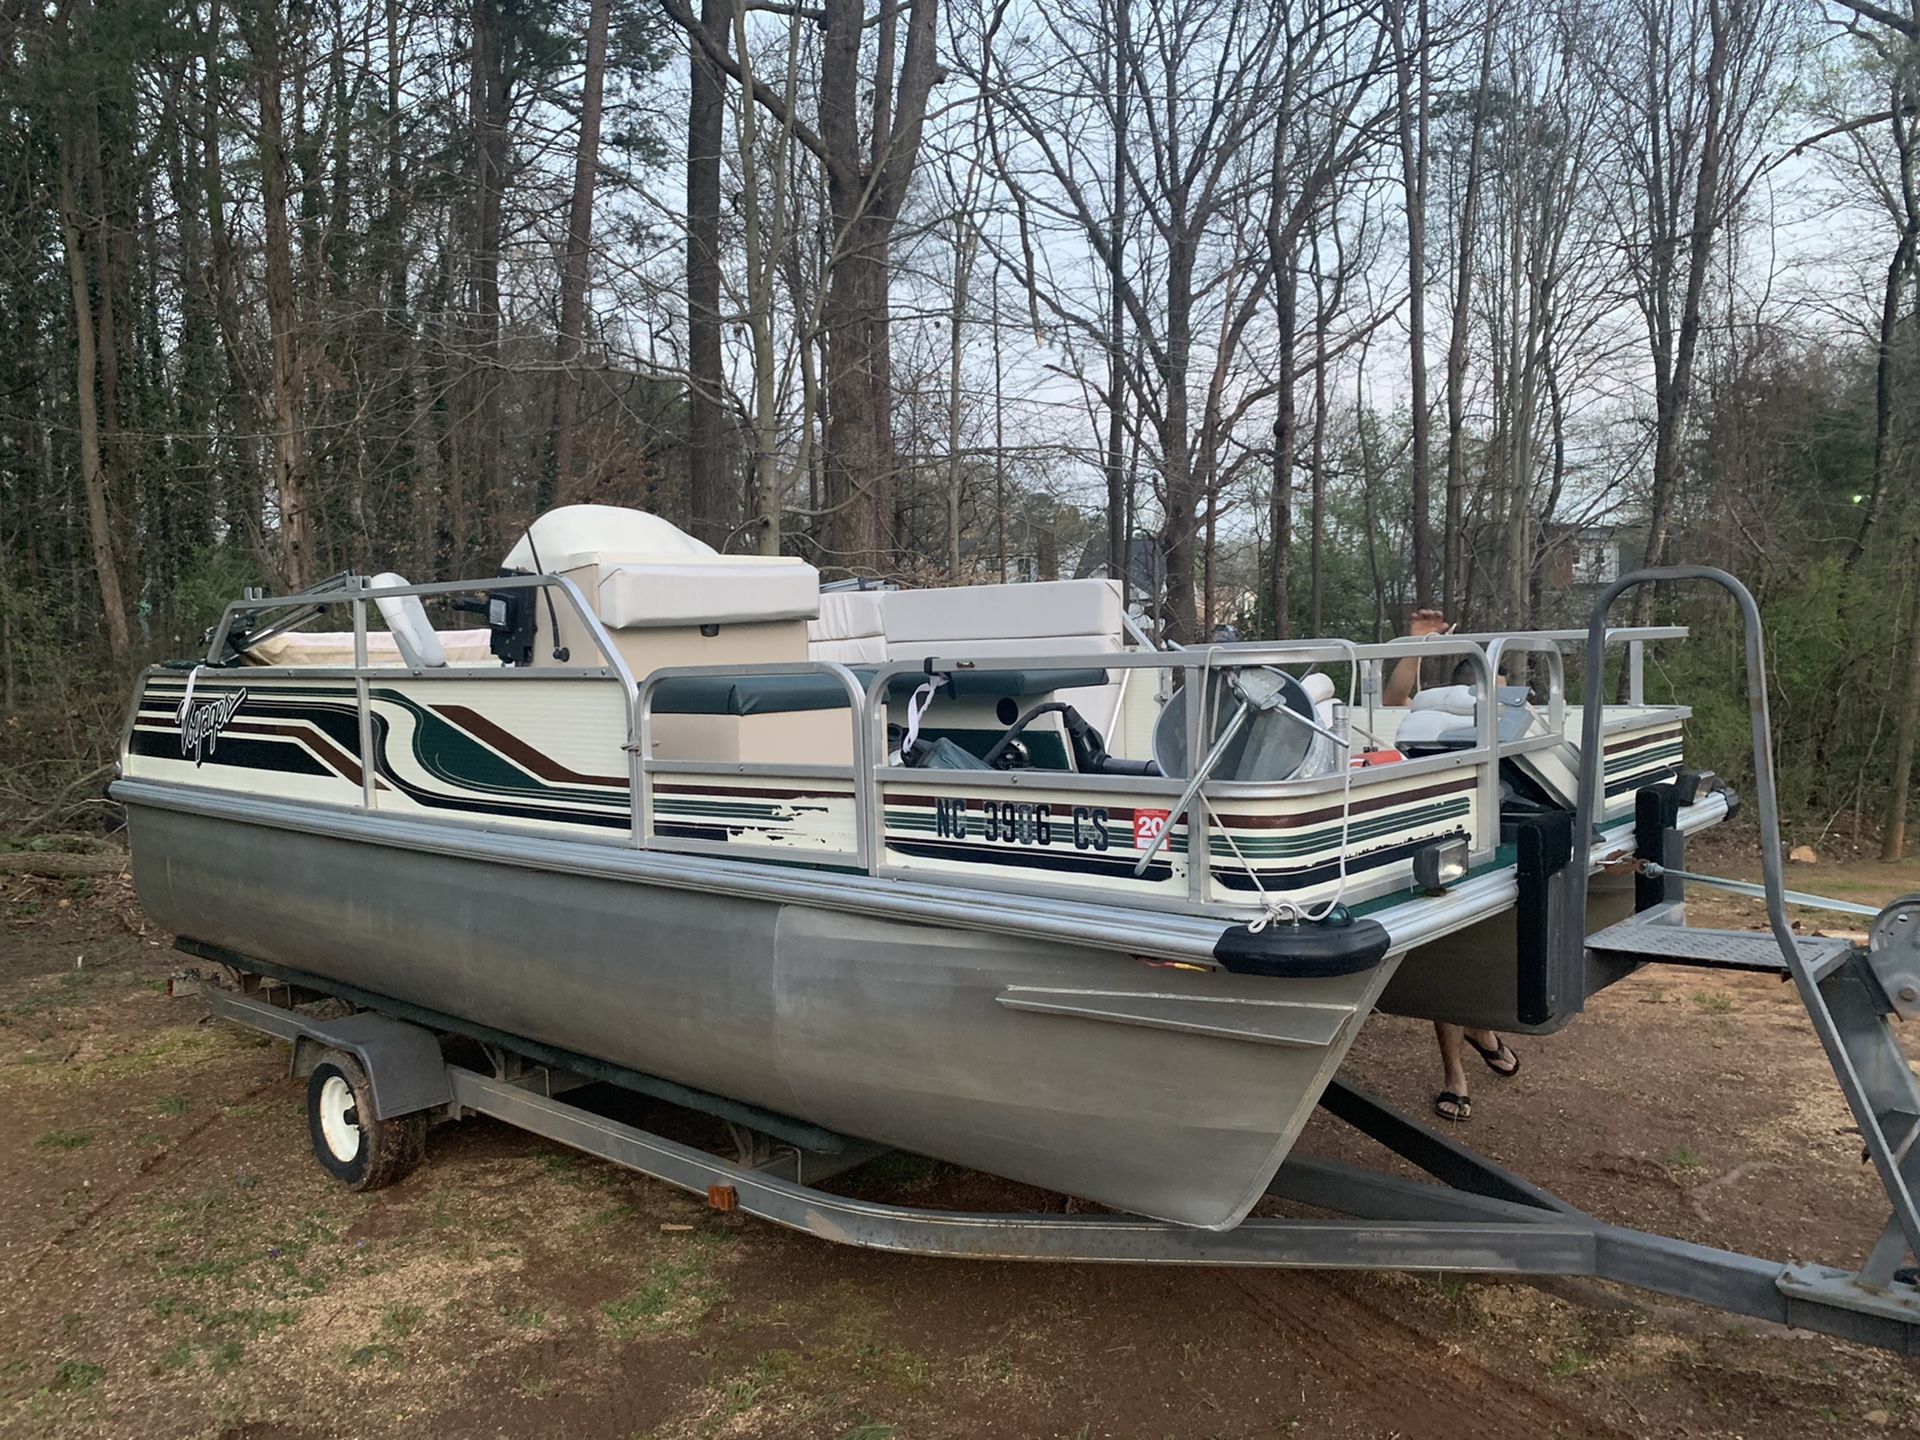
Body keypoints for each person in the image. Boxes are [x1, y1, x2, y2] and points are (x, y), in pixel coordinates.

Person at [1383, 608, 1521, 1123]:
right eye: (1489, 693)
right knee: (1447, 963)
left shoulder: (1520, 728)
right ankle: (1455, 1075)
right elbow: (1394, 700)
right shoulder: (1434, 726)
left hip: (1498, 852)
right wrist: (1417, 643)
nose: (1498, 704)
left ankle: (1482, 1031)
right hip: (1444, 849)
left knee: (1476, 963)